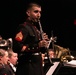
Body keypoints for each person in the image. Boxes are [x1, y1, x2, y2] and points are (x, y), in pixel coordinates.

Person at [13, 2, 49, 75]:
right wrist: (38, 45)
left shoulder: (36, 29)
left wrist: (44, 44)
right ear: (28, 13)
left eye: (40, 12)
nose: (39, 15)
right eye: (36, 12)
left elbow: (41, 50)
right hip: (28, 68)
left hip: (37, 67)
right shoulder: (23, 27)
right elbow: (16, 47)